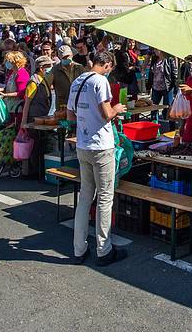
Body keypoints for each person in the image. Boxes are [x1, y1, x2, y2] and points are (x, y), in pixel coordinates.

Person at [68, 51, 128, 265]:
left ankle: (78, 249)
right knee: (104, 198)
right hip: (101, 146)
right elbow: (107, 114)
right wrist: (117, 108)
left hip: (82, 144)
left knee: (85, 197)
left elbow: (70, 115)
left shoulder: (77, 80)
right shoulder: (100, 81)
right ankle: (104, 250)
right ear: (108, 64)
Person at [19, 55, 54, 177]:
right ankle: (33, 171)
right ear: (41, 67)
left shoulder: (42, 79)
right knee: (35, 146)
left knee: (40, 145)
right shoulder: (33, 81)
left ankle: (39, 170)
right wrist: (24, 123)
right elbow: (27, 103)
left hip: (42, 117)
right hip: (34, 118)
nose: (51, 68)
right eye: (49, 66)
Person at [0, 51, 30, 126]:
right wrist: (2, 89)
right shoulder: (12, 72)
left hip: (18, 108)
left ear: (16, 62)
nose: (7, 63)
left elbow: (21, 93)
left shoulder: (22, 73)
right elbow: (9, 86)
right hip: (10, 106)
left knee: (15, 127)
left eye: (9, 61)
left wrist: (5, 94)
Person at [48, 45, 85, 109]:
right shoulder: (55, 70)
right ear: (60, 58)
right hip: (62, 106)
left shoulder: (80, 68)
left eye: (68, 56)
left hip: (78, 104)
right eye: (64, 57)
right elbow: (48, 85)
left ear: (72, 54)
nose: (67, 58)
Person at [148, 48, 178, 120]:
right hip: (155, 87)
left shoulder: (169, 59)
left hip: (167, 87)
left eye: (156, 49)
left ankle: (171, 127)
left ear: (161, 50)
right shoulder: (154, 59)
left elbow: (175, 73)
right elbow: (151, 73)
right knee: (153, 108)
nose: (154, 51)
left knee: (168, 108)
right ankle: (154, 126)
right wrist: (149, 86)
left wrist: (173, 86)